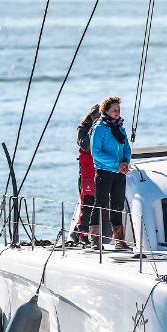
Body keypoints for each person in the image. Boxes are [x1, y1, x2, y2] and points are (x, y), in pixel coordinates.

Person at [88, 96, 132, 250]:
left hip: (120, 172)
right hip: (104, 171)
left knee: (117, 205)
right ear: (105, 111)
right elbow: (96, 153)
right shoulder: (99, 128)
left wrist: (126, 161)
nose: (117, 112)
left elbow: (126, 146)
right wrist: (116, 164)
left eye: (118, 110)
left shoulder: (120, 127)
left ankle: (119, 241)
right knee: (100, 203)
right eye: (114, 110)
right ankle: (94, 240)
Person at [70, 103, 100, 245]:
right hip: (87, 173)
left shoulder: (105, 129)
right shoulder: (83, 129)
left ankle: (80, 232)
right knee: (87, 204)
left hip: (100, 170)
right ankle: (81, 235)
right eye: (98, 117)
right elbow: (85, 145)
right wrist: (93, 127)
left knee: (97, 204)